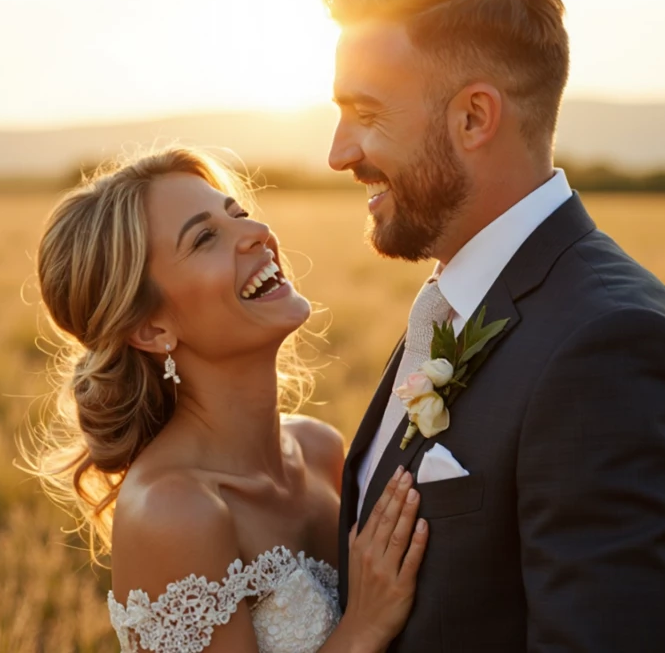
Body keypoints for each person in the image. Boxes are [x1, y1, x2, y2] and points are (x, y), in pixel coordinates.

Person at [323, 0, 665, 651]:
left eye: (366, 112)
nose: (338, 152)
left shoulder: (612, 352)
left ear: (474, 118)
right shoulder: (461, 300)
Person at [24, 148, 427, 653]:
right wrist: (363, 627)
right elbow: (367, 621)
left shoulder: (319, 450)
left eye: (237, 213)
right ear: (152, 327)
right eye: (205, 237)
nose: (257, 233)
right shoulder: (172, 511)